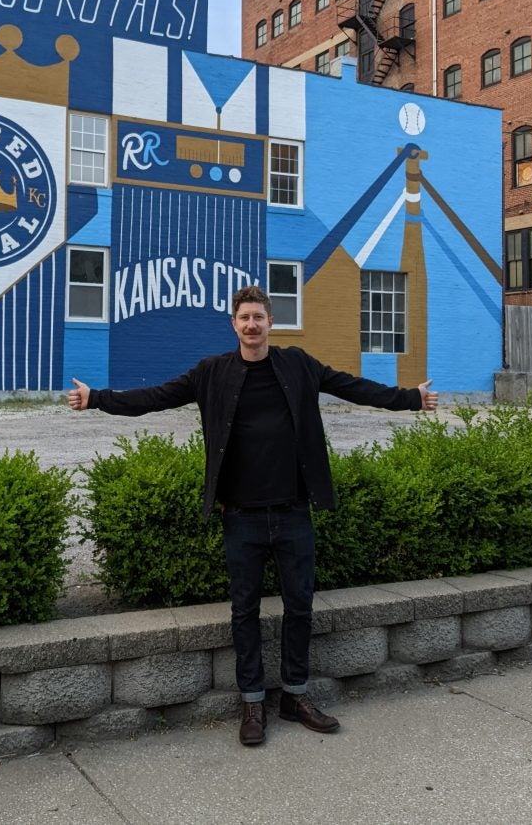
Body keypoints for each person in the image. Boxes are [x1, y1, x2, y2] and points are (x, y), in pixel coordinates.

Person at [68, 285, 438, 746]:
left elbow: (350, 386)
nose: (251, 325)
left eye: (259, 317)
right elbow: (157, 396)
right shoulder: (212, 372)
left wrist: (408, 398)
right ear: (234, 324)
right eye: (244, 318)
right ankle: (252, 703)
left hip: (292, 511)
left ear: (270, 323)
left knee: (300, 606)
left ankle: (296, 695)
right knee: (244, 611)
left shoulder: (298, 364)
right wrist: (98, 398)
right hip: (239, 514)